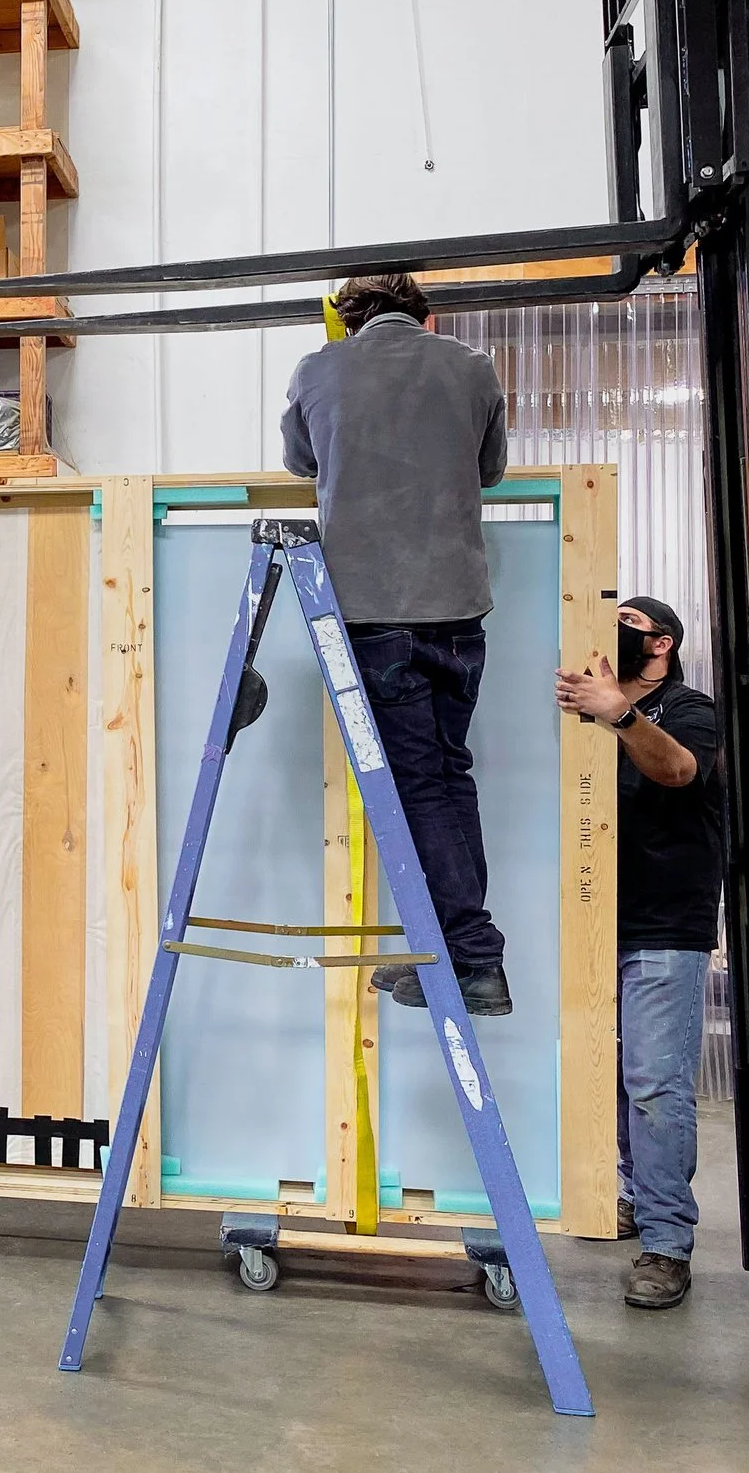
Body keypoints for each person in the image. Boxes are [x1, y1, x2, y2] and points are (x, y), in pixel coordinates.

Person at [283, 271, 513, 1013]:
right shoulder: (473, 366)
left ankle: (474, 959)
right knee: (448, 774)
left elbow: (300, 462)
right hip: (458, 608)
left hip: (375, 610)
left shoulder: (320, 368)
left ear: (347, 319)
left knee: (419, 785)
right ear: (428, 315)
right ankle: (460, 953)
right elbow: (492, 471)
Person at [554, 595, 724, 1311]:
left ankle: (665, 1242)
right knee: (608, 1076)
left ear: (661, 644)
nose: (614, 632)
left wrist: (618, 712)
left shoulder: (689, 706)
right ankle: (627, 1196)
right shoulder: (585, 712)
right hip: (591, 920)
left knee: (654, 1082)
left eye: (629, 625)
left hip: (663, 927)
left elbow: (680, 770)